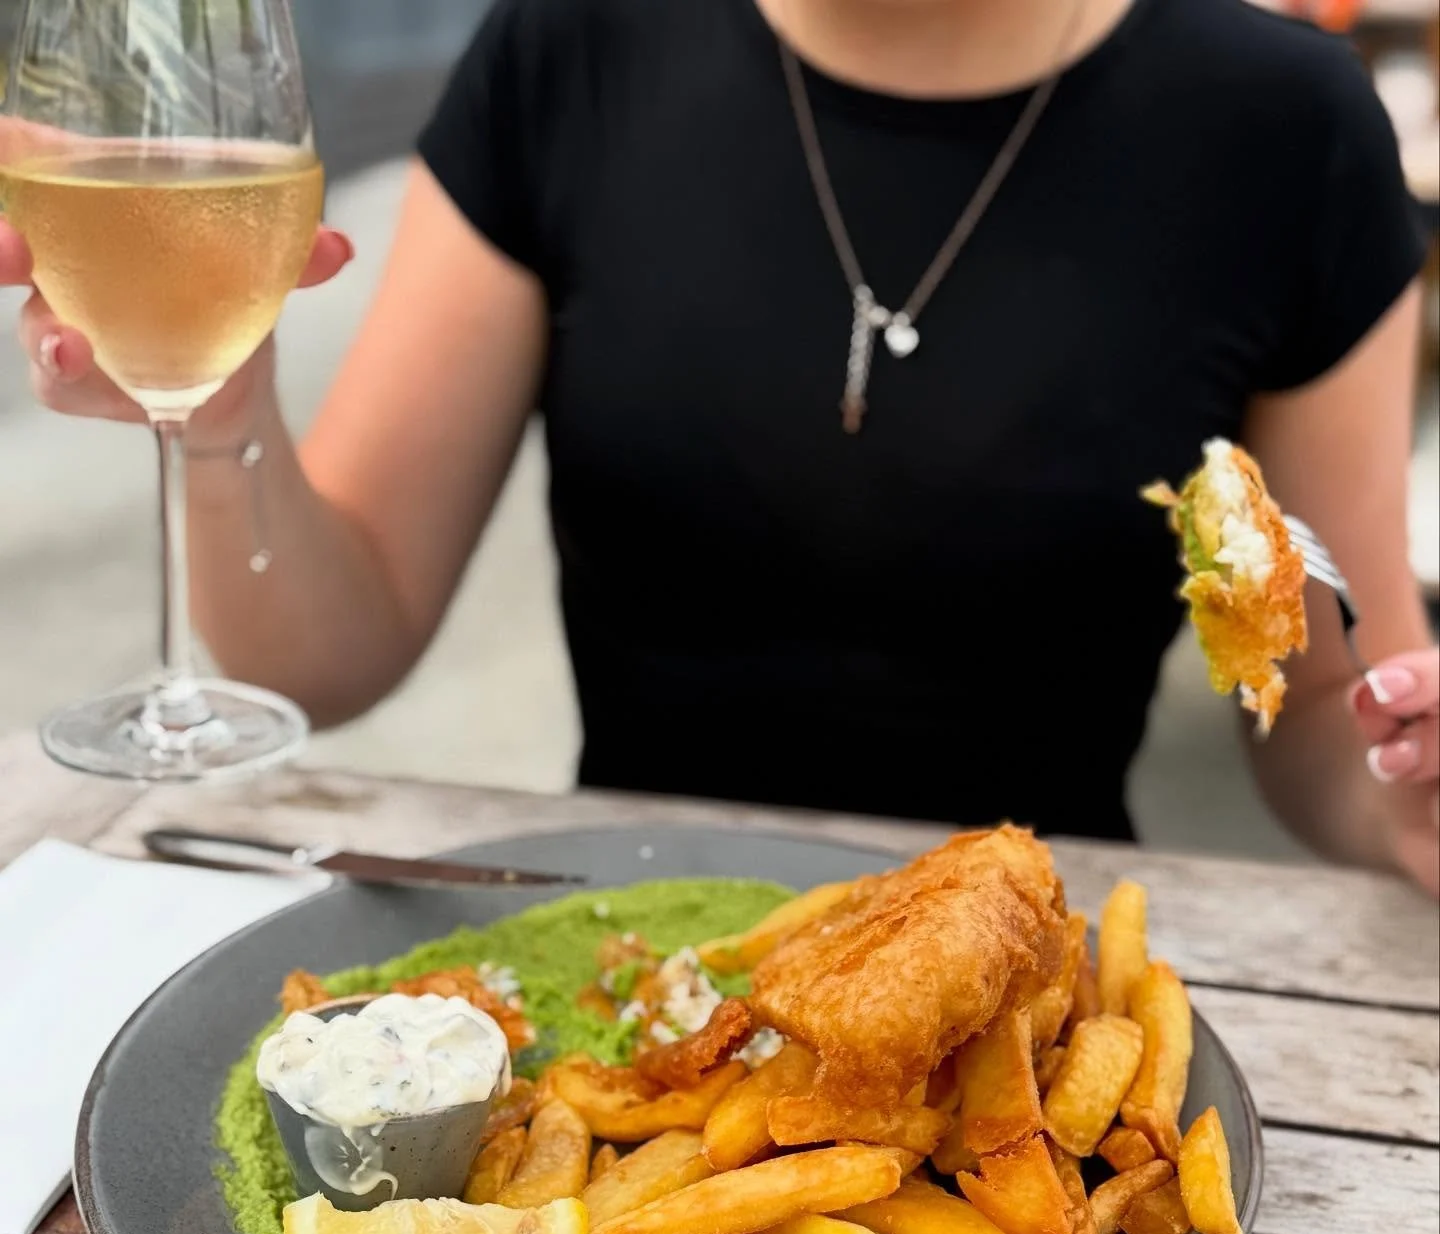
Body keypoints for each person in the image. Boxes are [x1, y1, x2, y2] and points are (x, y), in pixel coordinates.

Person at [3, 0, 1437, 893]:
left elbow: (1318, 709)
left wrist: (1409, 797)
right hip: (608, 951)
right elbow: (329, 645)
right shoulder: (567, 50)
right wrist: (224, 424)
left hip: (1033, 976)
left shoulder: (1281, 130)